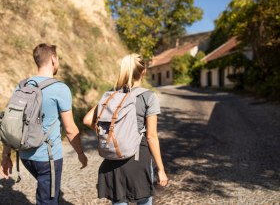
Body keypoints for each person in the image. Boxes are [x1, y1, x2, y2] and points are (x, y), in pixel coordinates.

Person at [0, 43, 88, 205]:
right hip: (48, 158)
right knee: (47, 201)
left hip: (25, 156)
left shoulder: (22, 86)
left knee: (46, 196)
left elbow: (11, 123)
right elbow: (70, 129)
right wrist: (81, 154)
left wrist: (5, 156)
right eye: (58, 58)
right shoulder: (60, 89)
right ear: (53, 59)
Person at [83, 53, 168, 205]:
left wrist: (111, 134)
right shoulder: (148, 96)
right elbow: (151, 136)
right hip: (138, 158)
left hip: (113, 159)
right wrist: (161, 169)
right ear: (144, 72)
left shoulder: (111, 94)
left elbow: (87, 120)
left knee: (119, 201)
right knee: (144, 201)